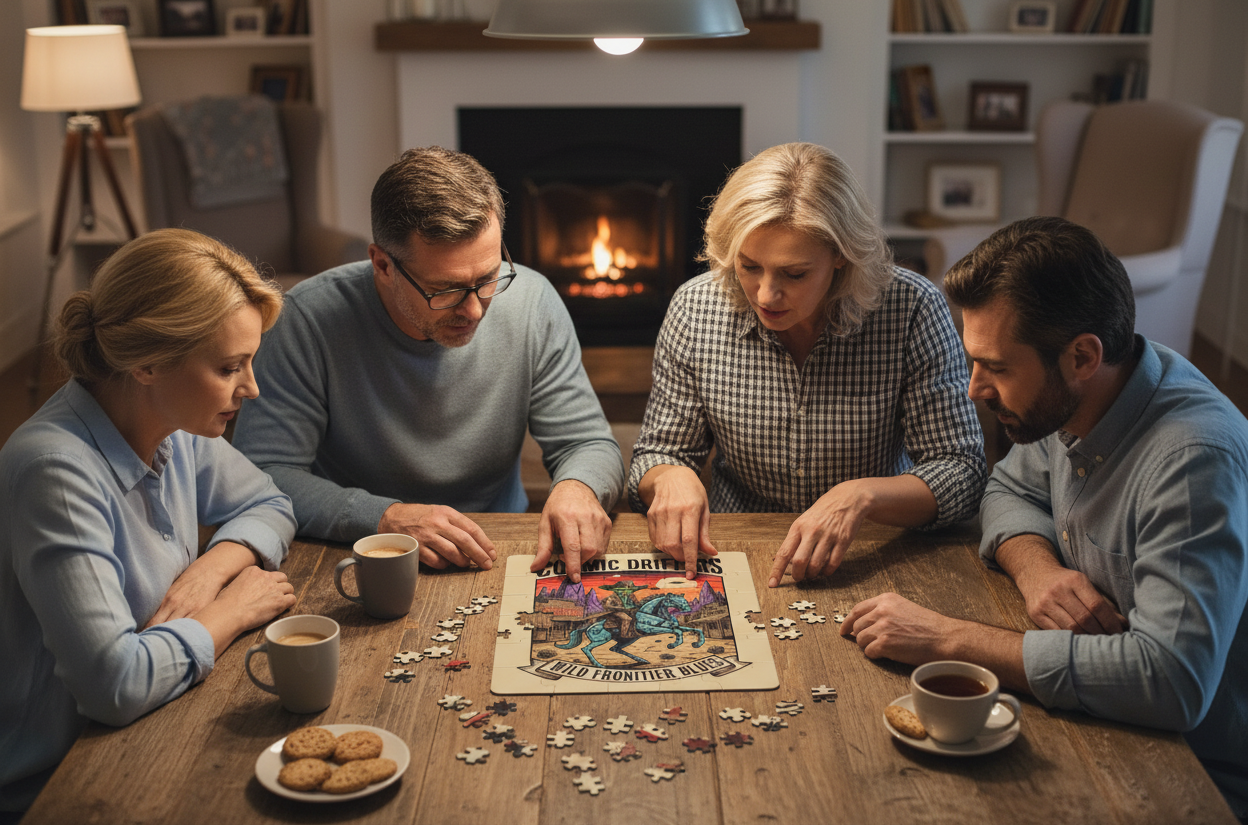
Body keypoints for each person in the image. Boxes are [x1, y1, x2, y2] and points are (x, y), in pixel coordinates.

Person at [840, 217, 1248, 820]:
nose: (975, 390)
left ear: (1082, 356)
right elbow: (1006, 487)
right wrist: (1037, 570)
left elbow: (1170, 681)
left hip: (1193, 775)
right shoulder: (1082, 396)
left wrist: (947, 640)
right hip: (1097, 718)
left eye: (998, 368)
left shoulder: (1192, 462)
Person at [0, 229, 298, 815]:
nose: (252, 388)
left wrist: (212, 569)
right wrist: (231, 611)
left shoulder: (174, 423)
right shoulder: (54, 472)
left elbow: (270, 503)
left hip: (158, 725)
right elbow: (114, 686)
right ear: (147, 364)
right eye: (229, 367)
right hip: (59, 786)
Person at [233, 146, 623, 583]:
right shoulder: (305, 320)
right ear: (383, 264)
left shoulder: (532, 302)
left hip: (494, 546)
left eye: (489, 277)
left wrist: (578, 487)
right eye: (446, 289)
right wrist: (384, 517)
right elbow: (265, 474)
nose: (474, 309)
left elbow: (588, 443)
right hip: (358, 554)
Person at [627, 142, 986, 583]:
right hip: (735, 541)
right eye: (749, 266)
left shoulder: (911, 307)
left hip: (870, 547)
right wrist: (669, 476)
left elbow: (962, 470)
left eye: (794, 273)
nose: (765, 295)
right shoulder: (696, 308)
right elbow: (659, 453)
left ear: (840, 256)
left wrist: (861, 497)